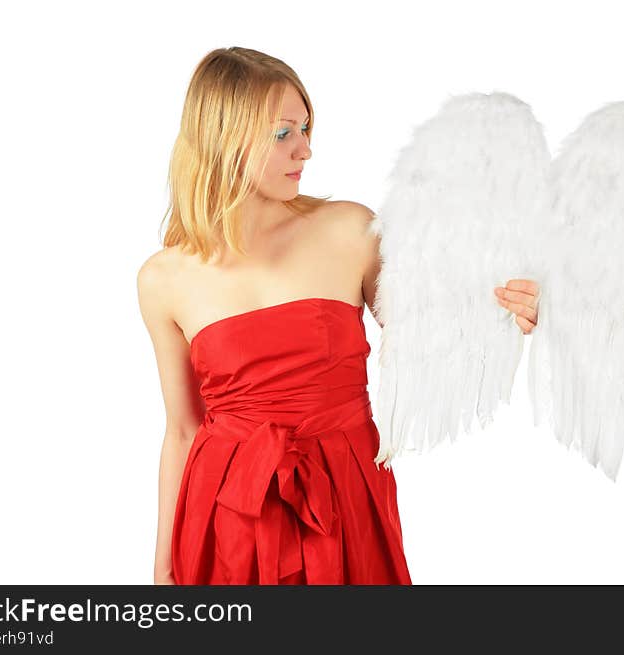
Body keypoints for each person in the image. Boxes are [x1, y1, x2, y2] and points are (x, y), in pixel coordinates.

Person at [136, 47, 540, 585]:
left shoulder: (350, 231)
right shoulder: (164, 278)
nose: (305, 149)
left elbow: (432, 333)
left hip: (346, 495)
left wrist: (508, 311)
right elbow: (183, 430)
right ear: (224, 136)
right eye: (284, 133)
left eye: (306, 128)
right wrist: (163, 571)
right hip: (228, 516)